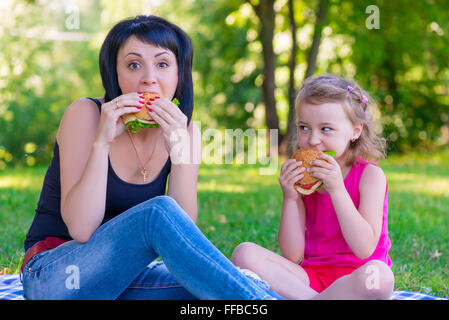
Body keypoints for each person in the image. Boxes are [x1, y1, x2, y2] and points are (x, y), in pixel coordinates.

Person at [21, 15, 282, 300]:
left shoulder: (187, 131)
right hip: (53, 276)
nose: (149, 78)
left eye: (162, 64)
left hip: (120, 280)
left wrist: (180, 152)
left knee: (213, 287)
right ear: (115, 74)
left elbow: (182, 237)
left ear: (179, 74)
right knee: (158, 213)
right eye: (134, 65)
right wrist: (102, 143)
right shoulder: (86, 115)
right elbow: (82, 229)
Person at [231, 73, 395, 300]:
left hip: (358, 279)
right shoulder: (304, 179)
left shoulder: (370, 175)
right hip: (311, 279)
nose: (313, 139)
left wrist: (338, 189)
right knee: (244, 253)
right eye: (304, 127)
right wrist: (290, 197)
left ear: (355, 131)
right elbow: (292, 254)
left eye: (326, 129)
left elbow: (364, 248)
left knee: (381, 277)